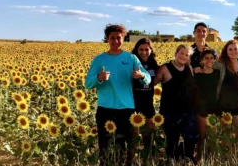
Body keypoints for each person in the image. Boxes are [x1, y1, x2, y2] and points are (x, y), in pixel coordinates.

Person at [85, 24, 151, 166]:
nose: (115, 41)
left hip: (126, 109)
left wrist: (140, 75)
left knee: (122, 147)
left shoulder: (131, 58)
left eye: (118, 38)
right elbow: (88, 84)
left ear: (123, 39)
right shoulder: (99, 60)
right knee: (105, 146)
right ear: (107, 39)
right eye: (112, 38)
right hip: (105, 108)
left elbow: (148, 78)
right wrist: (98, 78)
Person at [154, 44, 198, 164]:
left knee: (191, 136)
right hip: (170, 111)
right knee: (172, 139)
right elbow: (151, 83)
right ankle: (171, 160)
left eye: (186, 54)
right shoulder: (165, 68)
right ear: (176, 53)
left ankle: (187, 157)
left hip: (187, 110)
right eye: (181, 53)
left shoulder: (188, 68)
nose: (183, 56)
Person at [131, 38, 159, 160]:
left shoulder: (153, 63)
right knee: (134, 133)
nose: (144, 52)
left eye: (146, 49)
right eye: (141, 49)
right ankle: (133, 157)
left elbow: (159, 78)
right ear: (137, 50)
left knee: (149, 132)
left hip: (148, 102)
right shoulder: (132, 62)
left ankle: (148, 156)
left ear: (151, 50)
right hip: (133, 102)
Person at [214, 40, 238, 138]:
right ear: (226, 51)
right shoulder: (220, 64)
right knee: (226, 136)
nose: (233, 51)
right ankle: (228, 154)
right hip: (224, 105)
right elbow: (208, 69)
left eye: (235, 49)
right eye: (230, 49)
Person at [194, 49, 220, 161]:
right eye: (206, 58)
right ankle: (199, 159)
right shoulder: (197, 75)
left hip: (215, 108)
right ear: (202, 60)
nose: (209, 60)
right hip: (201, 109)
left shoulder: (218, 74)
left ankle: (212, 160)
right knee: (202, 136)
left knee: (213, 137)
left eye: (211, 58)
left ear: (215, 60)